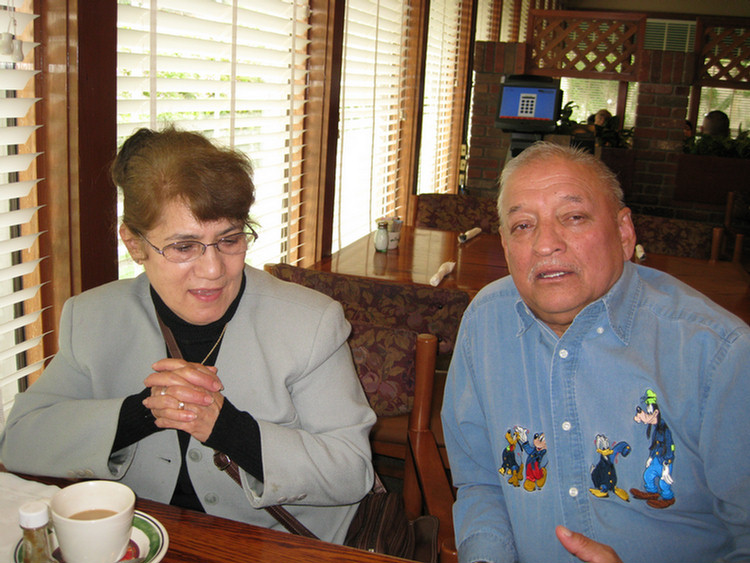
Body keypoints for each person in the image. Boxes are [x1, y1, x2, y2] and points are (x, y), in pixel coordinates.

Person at [0, 126, 376, 544]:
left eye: (229, 239)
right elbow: (19, 439)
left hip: (271, 545)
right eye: (184, 246)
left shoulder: (311, 322)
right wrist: (144, 411)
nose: (213, 269)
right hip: (142, 538)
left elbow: (352, 469)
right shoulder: (91, 317)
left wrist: (230, 429)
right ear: (134, 244)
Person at [441, 141, 750, 563]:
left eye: (573, 217)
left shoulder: (717, 353)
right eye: (523, 226)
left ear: (624, 233)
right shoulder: (484, 322)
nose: (546, 243)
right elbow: (481, 480)